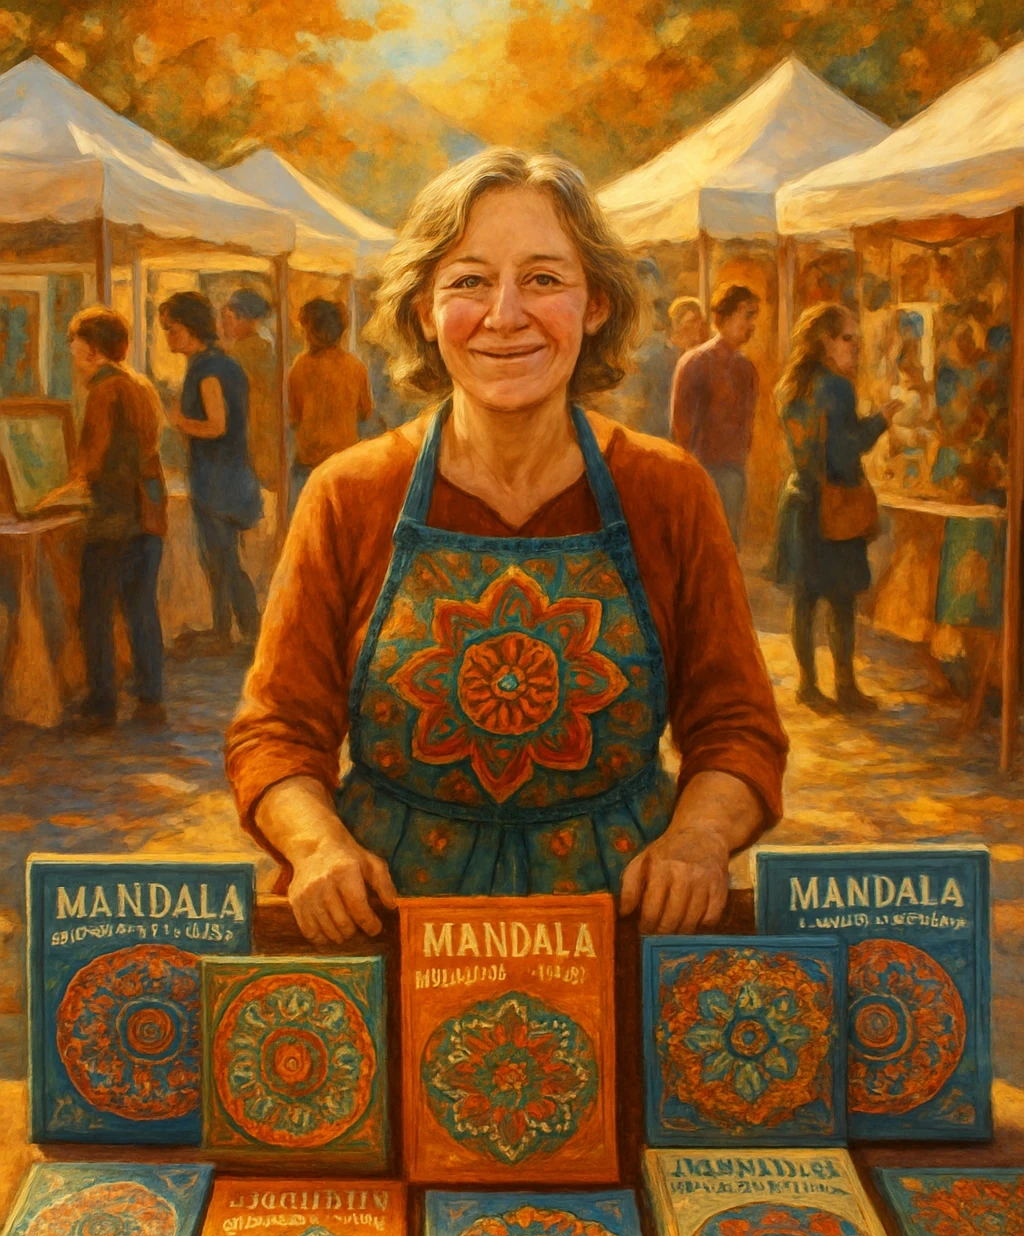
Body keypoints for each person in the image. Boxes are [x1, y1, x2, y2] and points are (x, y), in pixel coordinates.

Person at [225, 147, 787, 947]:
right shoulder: (351, 494)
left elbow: (737, 727)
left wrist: (697, 839)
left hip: (620, 927)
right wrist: (318, 848)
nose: (505, 313)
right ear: (424, 308)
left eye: (545, 279)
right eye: (468, 281)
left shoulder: (668, 488)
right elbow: (275, 731)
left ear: (595, 304)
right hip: (389, 927)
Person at [38, 306, 167, 730]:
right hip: (146, 516)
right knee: (140, 609)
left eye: (75, 341)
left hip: (112, 519)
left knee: (94, 612)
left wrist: (48, 499)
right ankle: (150, 699)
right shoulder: (140, 385)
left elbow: (91, 465)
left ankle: (101, 704)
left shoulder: (103, 392)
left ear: (93, 349)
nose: (71, 349)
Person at [774, 302, 899, 715]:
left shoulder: (790, 386)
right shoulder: (836, 388)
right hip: (834, 508)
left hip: (799, 502)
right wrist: (880, 420)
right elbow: (845, 453)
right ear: (823, 341)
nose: (856, 348)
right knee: (842, 600)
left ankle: (808, 687)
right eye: (848, 339)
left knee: (804, 599)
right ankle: (845, 687)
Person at [161, 291, 262, 653]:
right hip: (230, 474)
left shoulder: (206, 369)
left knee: (219, 558)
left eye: (172, 329)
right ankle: (246, 629)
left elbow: (216, 425)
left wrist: (179, 422)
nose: (168, 336)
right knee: (224, 558)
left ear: (191, 328)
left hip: (217, 479)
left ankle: (228, 633)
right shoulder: (222, 364)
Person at [671, 283, 760, 547]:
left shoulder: (746, 369)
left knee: (727, 544)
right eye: (747, 315)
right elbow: (681, 425)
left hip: (733, 471)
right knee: (699, 543)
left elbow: (747, 425)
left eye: (754, 316)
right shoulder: (695, 362)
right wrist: (689, 470)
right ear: (725, 317)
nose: (752, 324)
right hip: (700, 469)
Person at [287, 297, 373, 510]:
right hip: (345, 460)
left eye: (305, 328)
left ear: (314, 330)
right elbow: (366, 411)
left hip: (310, 462)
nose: (304, 334)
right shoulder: (355, 366)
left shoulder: (300, 367)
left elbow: (294, 416)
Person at [221, 288, 276, 490]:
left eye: (229, 318)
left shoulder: (241, 353)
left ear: (245, 319)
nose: (225, 325)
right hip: (259, 431)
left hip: (252, 430)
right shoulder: (264, 348)